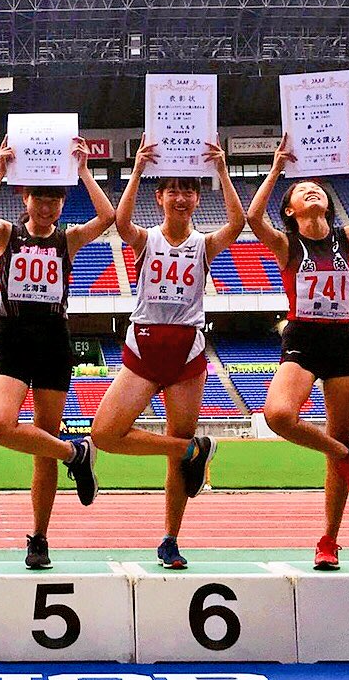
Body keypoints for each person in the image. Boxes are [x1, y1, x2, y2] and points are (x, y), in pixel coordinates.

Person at [248, 134, 349, 570]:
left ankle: (329, 541)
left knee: (339, 432)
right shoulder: (286, 244)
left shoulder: (345, 238)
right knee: (279, 415)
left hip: (341, 339)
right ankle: (348, 456)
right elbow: (253, 217)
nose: (313, 189)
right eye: (302, 189)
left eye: (318, 187)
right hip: (303, 337)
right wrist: (279, 167)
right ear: (290, 209)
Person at [90, 138, 245, 569]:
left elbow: (236, 222)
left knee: (180, 442)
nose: (180, 197)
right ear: (159, 197)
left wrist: (223, 171)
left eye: (188, 190)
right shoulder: (146, 239)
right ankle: (190, 450)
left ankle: (171, 538)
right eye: (172, 190)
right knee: (105, 434)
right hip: (144, 346)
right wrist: (137, 168)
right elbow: (121, 224)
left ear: (197, 199)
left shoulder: (203, 244)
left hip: (187, 351)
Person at [0, 135, 115, 569]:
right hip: (13, 337)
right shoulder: (7, 235)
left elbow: (107, 216)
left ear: (61, 203)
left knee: (42, 444)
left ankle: (39, 538)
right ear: (26, 198)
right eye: (40, 198)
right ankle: (77, 452)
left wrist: (84, 170)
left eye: (55, 199)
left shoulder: (67, 240)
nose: (48, 206)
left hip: (53, 339)